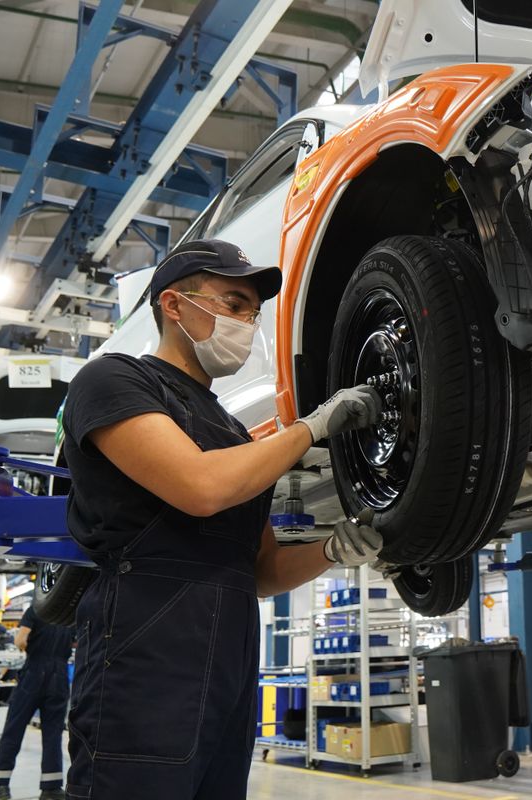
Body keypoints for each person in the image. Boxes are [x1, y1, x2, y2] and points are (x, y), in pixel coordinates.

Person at [60, 240, 386, 800]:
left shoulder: (234, 432)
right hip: (145, 646)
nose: (247, 321)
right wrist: (310, 428)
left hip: (231, 654)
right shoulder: (113, 380)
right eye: (233, 303)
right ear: (174, 304)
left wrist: (333, 551)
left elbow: (259, 570)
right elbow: (200, 488)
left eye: (253, 312)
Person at [0, 607, 73, 800]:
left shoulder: (36, 610)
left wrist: (35, 648)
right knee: (53, 733)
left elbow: (20, 640)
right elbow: (77, 642)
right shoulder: (69, 615)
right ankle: (51, 788)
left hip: (33, 674)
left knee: (14, 729)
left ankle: (1, 784)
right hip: (59, 677)